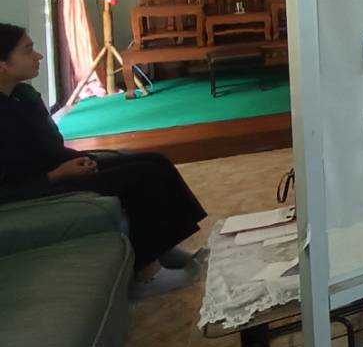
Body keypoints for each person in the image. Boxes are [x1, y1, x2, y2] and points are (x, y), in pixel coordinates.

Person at [0, 23, 208, 299]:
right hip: (40, 186)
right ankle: (147, 274)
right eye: (28, 51)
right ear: (3, 65)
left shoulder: (23, 96)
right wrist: (57, 175)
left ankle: (162, 247)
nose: (38, 56)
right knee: (140, 178)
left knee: (155, 161)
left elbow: (51, 148)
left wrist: (80, 159)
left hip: (61, 169)